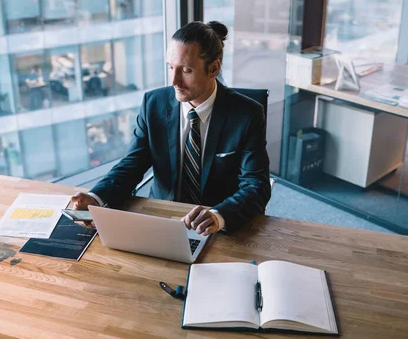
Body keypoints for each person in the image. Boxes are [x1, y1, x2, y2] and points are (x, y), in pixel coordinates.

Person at [71, 21, 271, 235]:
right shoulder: (153, 104)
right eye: (170, 67)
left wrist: (218, 216)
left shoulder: (247, 114)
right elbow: (132, 164)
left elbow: (256, 186)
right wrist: (96, 197)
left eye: (186, 70)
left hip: (214, 226)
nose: (174, 80)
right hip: (160, 217)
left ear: (214, 68)